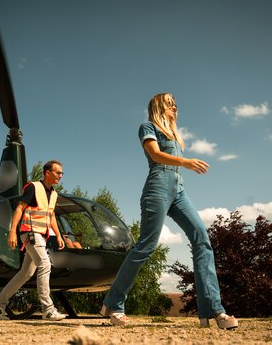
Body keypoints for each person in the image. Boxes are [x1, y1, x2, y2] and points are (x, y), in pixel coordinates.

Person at [101, 93, 238, 330]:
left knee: (202, 239)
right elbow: (154, 154)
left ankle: (213, 311)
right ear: (157, 105)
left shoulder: (175, 135)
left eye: (175, 101)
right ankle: (113, 304)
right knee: (147, 245)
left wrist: (181, 158)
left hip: (179, 190)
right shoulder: (148, 126)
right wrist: (185, 162)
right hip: (158, 187)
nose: (174, 104)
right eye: (168, 101)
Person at [0, 160, 66, 321]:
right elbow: (19, 208)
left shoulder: (54, 194)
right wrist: (12, 232)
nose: (60, 176)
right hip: (29, 233)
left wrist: (58, 235)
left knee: (26, 273)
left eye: (61, 173)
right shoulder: (33, 187)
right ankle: (48, 309)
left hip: (40, 235)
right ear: (47, 172)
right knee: (45, 264)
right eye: (58, 172)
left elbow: (50, 216)